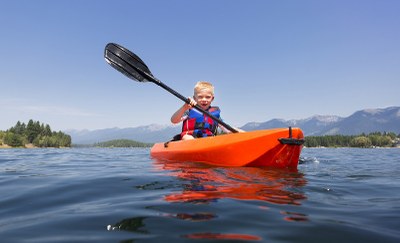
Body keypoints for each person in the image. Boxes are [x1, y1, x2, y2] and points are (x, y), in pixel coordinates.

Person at [171, 81, 244, 140]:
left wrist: (239, 132)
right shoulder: (189, 110)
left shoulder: (214, 113)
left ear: (212, 99)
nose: (204, 100)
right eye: (200, 97)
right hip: (190, 138)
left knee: (234, 132)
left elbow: (227, 129)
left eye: (207, 97)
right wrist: (184, 107)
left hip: (208, 141)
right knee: (187, 138)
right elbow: (174, 120)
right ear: (194, 98)